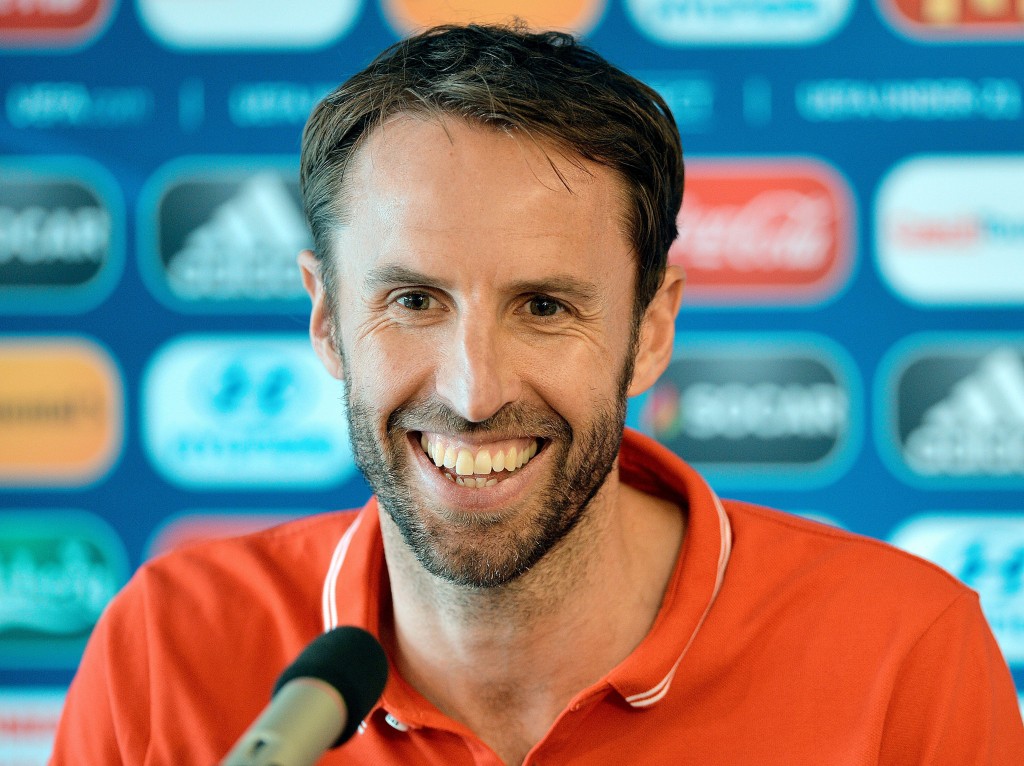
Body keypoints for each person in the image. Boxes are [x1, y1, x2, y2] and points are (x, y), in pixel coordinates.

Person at [51, 23, 1023, 765]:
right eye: (413, 301)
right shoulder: (167, 649)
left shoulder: (905, 652)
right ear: (326, 319)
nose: (474, 392)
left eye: (545, 306)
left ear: (651, 329)